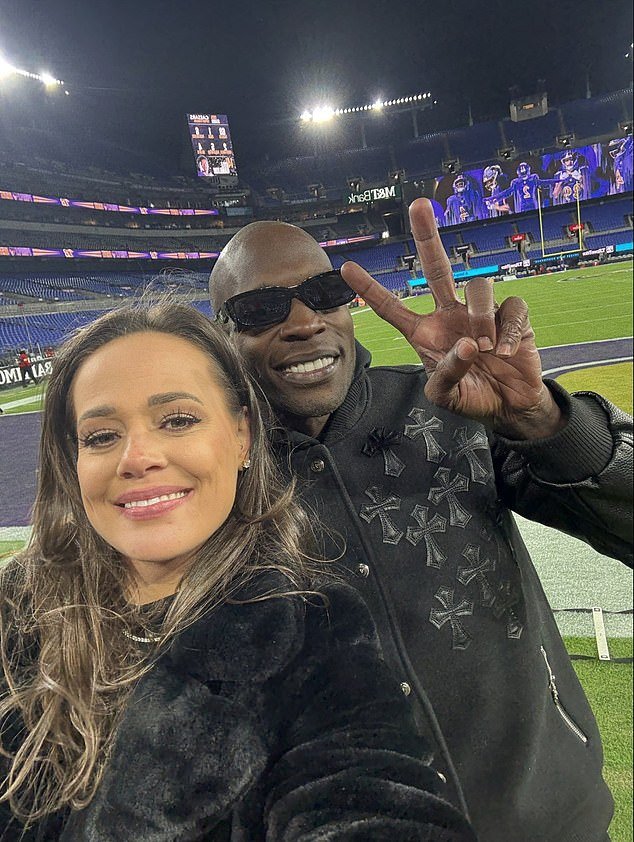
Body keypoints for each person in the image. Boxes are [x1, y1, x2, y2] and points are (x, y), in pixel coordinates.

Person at [209, 197, 633, 842]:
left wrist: (542, 421)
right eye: (262, 309)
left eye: (325, 294)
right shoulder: (209, 480)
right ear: (220, 337)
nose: (305, 322)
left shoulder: (451, 407)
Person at [0, 299, 475, 841]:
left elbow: (365, 799)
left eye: (178, 420)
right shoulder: (16, 608)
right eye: (102, 436)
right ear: (73, 460)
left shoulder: (312, 631)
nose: (136, 457)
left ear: (242, 435)